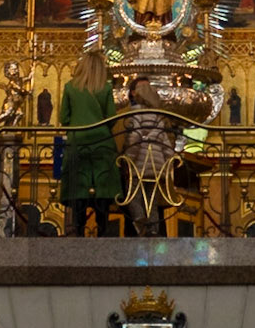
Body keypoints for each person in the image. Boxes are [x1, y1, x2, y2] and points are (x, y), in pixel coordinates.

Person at [59, 51, 118, 236]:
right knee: (103, 189)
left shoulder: (70, 87)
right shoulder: (106, 88)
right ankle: (102, 231)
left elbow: (63, 117)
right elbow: (111, 117)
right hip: (102, 143)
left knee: (78, 188)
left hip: (78, 143)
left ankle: (78, 230)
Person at [124, 76, 177, 236]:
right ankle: (153, 230)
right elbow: (166, 144)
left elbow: (134, 138)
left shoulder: (134, 114)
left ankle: (140, 221)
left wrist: (128, 160)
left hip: (137, 165)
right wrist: (168, 164)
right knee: (151, 200)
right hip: (156, 166)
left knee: (133, 195)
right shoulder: (158, 117)